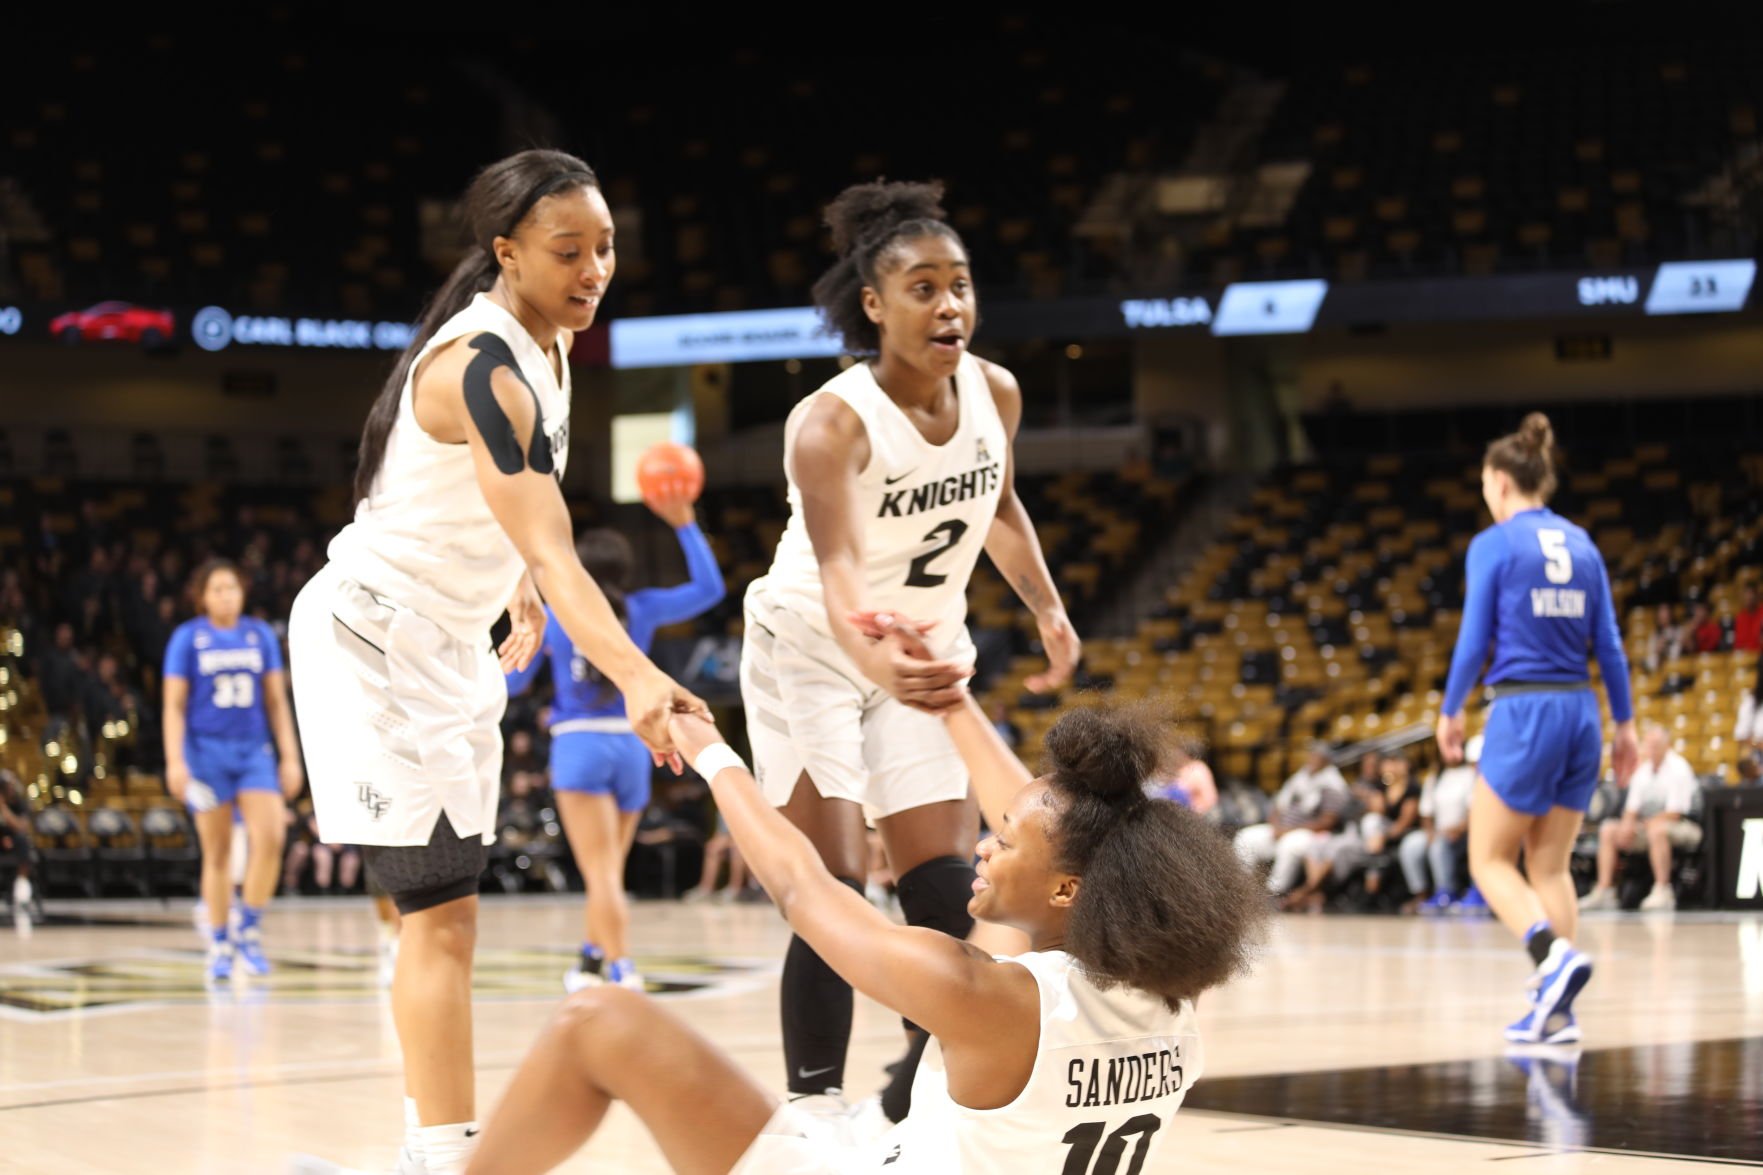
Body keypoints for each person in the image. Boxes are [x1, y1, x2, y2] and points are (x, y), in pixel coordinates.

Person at [287, 149, 704, 1175]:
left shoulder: (550, 349)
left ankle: (432, 1142)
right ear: (504, 250)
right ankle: (437, 1152)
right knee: (438, 911)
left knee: (442, 912)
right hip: (373, 638)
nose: (594, 269)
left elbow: (514, 520)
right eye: (569, 250)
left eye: (605, 247)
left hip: (447, 640)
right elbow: (557, 543)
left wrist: (513, 578)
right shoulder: (483, 364)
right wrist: (638, 674)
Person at [464, 660, 1267, 1174]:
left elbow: (802, 888)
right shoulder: (1172, 999)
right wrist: (953, 708)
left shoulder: (981, 994)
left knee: (595, 1017)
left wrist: (712, 752)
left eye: (1003, 838)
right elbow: (1071, 835)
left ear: (1066, 890)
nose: (984, 844)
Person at [738, 180, 1079, 1116]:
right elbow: (841, 568)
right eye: (923, 287)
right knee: (832, 890)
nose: (950, 305)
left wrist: (1046, 608)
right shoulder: (831, 421)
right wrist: (871, 651)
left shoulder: (993, 392)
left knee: (941, 892)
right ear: (875, 304)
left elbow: (1000, 509)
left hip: (921, 651)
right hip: (811, 643)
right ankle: (815, 1113)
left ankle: (926, 1098)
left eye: (960, 284)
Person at [1436, 412, 1637, 1047]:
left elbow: (1474, 639)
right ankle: (1557, 1012)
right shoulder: (1582, 542)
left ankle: (1551, 958)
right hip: (1582, 712)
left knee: (1488, 858)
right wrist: (1626, 726)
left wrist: (1450, 708)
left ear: (1499, 481)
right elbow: (1609, 644)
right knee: (1549, 866)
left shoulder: (1493, 543)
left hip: (1524, 708)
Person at [506, 487, 725, 992]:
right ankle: (589, 957)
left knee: (601, 873)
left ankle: (622, 967)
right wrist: (685, 524)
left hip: (578, 747)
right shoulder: (642, 608)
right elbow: (710, 589)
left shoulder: (558, 615)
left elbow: (514, 683)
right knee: (609, 868)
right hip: (631, 745)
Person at [161, 558, 303, 982]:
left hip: (254, 753)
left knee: (272, 836)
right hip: (206, 756)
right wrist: (175, 761)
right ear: (202, 596)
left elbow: (277, 703)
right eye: (217, 588)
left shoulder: (259, 635)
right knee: (218, 851)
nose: (226, 595)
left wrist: (290, 756)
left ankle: (251, 928)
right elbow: (173, 706)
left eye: (232, 587)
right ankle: (221, 940)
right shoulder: (188, 638)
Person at [1580, 723, 1703, 912]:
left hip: (1685, 825)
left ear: (1666, 745)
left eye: (1656, 745)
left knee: (1657, 830)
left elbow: (1675, 813)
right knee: (1609, 829)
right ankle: (1605, 890)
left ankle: (1663, 890)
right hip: (1647, 825)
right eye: (1648, 744)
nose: (1651, 749)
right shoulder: (1642, 770)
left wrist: (1640, 826)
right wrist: (1626, 826)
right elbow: (1631, 809)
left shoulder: (1678, 768)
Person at [1232, 743, 1349, 896]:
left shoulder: (1333, 785)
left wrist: (1288, 831)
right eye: (1311, 755)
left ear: (1326, 760)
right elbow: (1277, 807)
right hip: (1281, 828)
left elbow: (1328, 822)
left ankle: (1274, 892)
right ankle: (1241, 888)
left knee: (1290, 844)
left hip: (1310, 833)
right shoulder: (1298, 778)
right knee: (1245, 837)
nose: (1311, 759)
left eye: (1316, 756)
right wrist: (1275, 827)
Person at [1401, 735, 1480, 912]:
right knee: (1411, 844)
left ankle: (1446, 892)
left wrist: (1458, 828)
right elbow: (1426, 811)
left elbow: (1472, 809)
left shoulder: (1470, 775)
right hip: (1438, 829)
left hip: (1462, 831)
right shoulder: (1435, 777)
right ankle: (1421, 894)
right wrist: (1429, 832)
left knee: (1439, 845)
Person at [1734, 585, 1762, 653]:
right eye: (1747, 595)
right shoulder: (1740, 617)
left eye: (1751, 595)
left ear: (1757, 596)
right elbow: (1738, 643)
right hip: (1746, 655)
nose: (1749, 598)